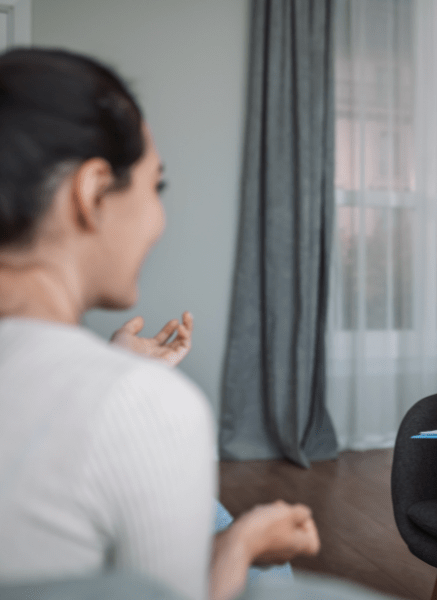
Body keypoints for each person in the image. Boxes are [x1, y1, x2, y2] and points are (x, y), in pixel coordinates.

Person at [0, 47, 319, 600]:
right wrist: (242, 546)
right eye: (156, 186)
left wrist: (112, 364)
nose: (158, 218)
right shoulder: (146, 408)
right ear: (92, 192)